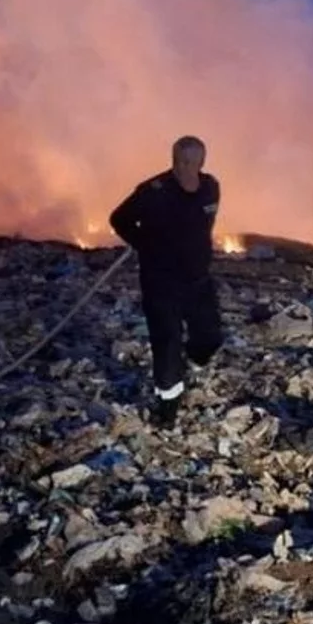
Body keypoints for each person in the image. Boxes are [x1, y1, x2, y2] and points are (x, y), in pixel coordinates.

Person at [108, 135, 223, 428]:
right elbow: (119, 218)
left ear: (201, 163)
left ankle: (192, 360)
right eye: (179, 160)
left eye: (190, 161)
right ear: (172, 160)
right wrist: (145, 243)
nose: (184, 167)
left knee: (209, 338)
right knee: (167, 343)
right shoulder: (153, 192)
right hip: (162, 283)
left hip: (198, 281)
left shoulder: (210, 188)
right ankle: (167, 410)